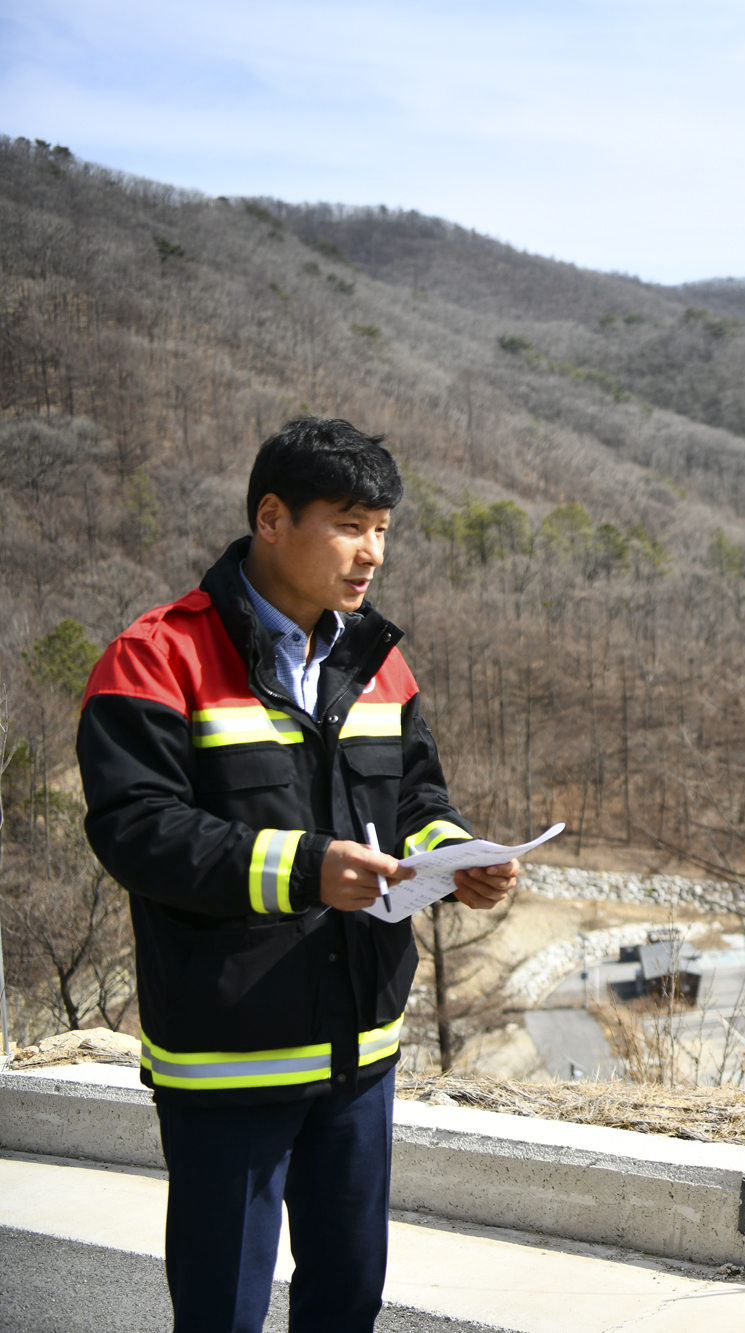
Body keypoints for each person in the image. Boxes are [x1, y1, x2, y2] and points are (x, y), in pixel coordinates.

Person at [76, 418, 520, 1332]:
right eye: (351, 524)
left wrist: (457, 855)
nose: (373, 553)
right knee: (222, 1310)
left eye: (385, 529)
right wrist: (307, 867)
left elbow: (416, 797)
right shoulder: (158, 655)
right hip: (229, 1056)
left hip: (362, 1049)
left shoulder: (378, 660)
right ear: (271, 518)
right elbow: (137, 831)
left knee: (347, 1301)